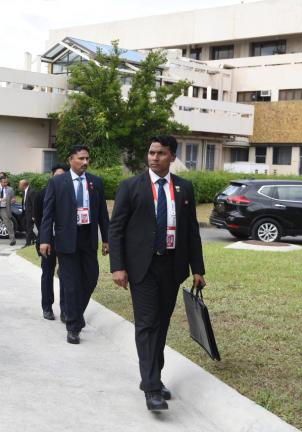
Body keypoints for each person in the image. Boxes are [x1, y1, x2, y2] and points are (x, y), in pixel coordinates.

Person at [109, 135, 206, 412]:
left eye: (161, 153)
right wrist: (118, 266)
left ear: (172, 157)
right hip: (143, 267)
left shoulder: (184, 188)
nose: (154, 158)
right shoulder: (131, 187)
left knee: (161, 325)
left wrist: (198, 269)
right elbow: (116, 229)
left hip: (172, 267)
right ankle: (151, 388)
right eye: (151, 153)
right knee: (147, 324)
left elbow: (191, 231)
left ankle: (154, 377)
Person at [39, 145, 110, 345]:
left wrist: (107, 239)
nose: (85, 162)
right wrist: (44, 239)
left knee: (91, 278)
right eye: (81, 158)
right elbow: (48, 213)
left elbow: (102, 214)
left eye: (87, 158)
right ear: (71, 159)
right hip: (66, 239)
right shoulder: (57, 182)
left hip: (88, 238)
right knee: (70, 284)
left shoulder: (95, 182)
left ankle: (75, 314)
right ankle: (73, 327)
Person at [32, 164, 66, 321]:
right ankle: (47, 307)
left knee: (66, 274)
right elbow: (39, 219)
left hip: (65, 240)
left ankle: (66, 309)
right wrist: (44, 238)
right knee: (47, 274)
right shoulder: (41, 194)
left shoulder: (70, 193)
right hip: (47, 240)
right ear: (52, 177)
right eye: (57, 176)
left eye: (63, 176)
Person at [19, 179, 36, 247]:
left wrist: (34, 215)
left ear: (23, 185)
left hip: (30, 213)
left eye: (20, 184)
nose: (19, 186)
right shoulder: (24, 191)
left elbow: (34, 204)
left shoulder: (32, 191)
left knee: (29, 228)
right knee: (24, 225)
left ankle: (28, 243)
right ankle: (34, 238)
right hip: (25, 212)